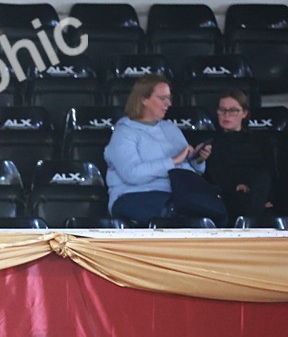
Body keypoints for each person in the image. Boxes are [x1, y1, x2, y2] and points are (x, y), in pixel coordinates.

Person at [103, 74, 224, 224]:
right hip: (134, 195)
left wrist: (197, 160)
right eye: (162, 98)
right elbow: (132, 174)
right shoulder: (124, 132)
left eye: (169, 98)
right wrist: (172, 161)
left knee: (214, 210)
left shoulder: (171, 129)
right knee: (179, 215)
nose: (168, 104)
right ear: (144, 99)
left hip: (178, 193)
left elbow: (188, 168)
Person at [206, 90, 276, 223]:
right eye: (222, 110)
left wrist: (252, 188)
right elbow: (213, 173)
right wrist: (236, 186)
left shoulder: (261, 141)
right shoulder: (211, 143)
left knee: (263, 179)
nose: (226, 115)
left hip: (256, 190)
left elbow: (269, 170)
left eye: (233, 110)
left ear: (244, 113)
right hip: (226, 193)